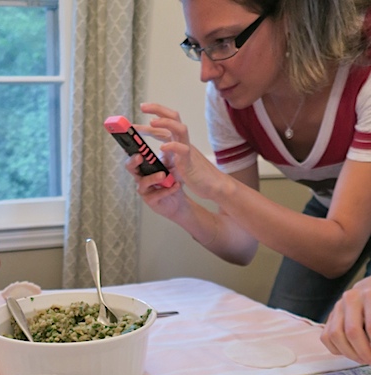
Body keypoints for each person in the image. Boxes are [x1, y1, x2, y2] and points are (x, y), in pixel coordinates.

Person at [127, 0, 371, 324]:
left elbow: (338, 252)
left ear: (289, 19)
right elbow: (241, 245)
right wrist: (180, 207)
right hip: (332, 210)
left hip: (339, 226)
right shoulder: (228, 103)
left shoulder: (363, 77)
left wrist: (218, 184)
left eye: (223, 42)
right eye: (196, 46)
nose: (206, 72)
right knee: (284, 325)